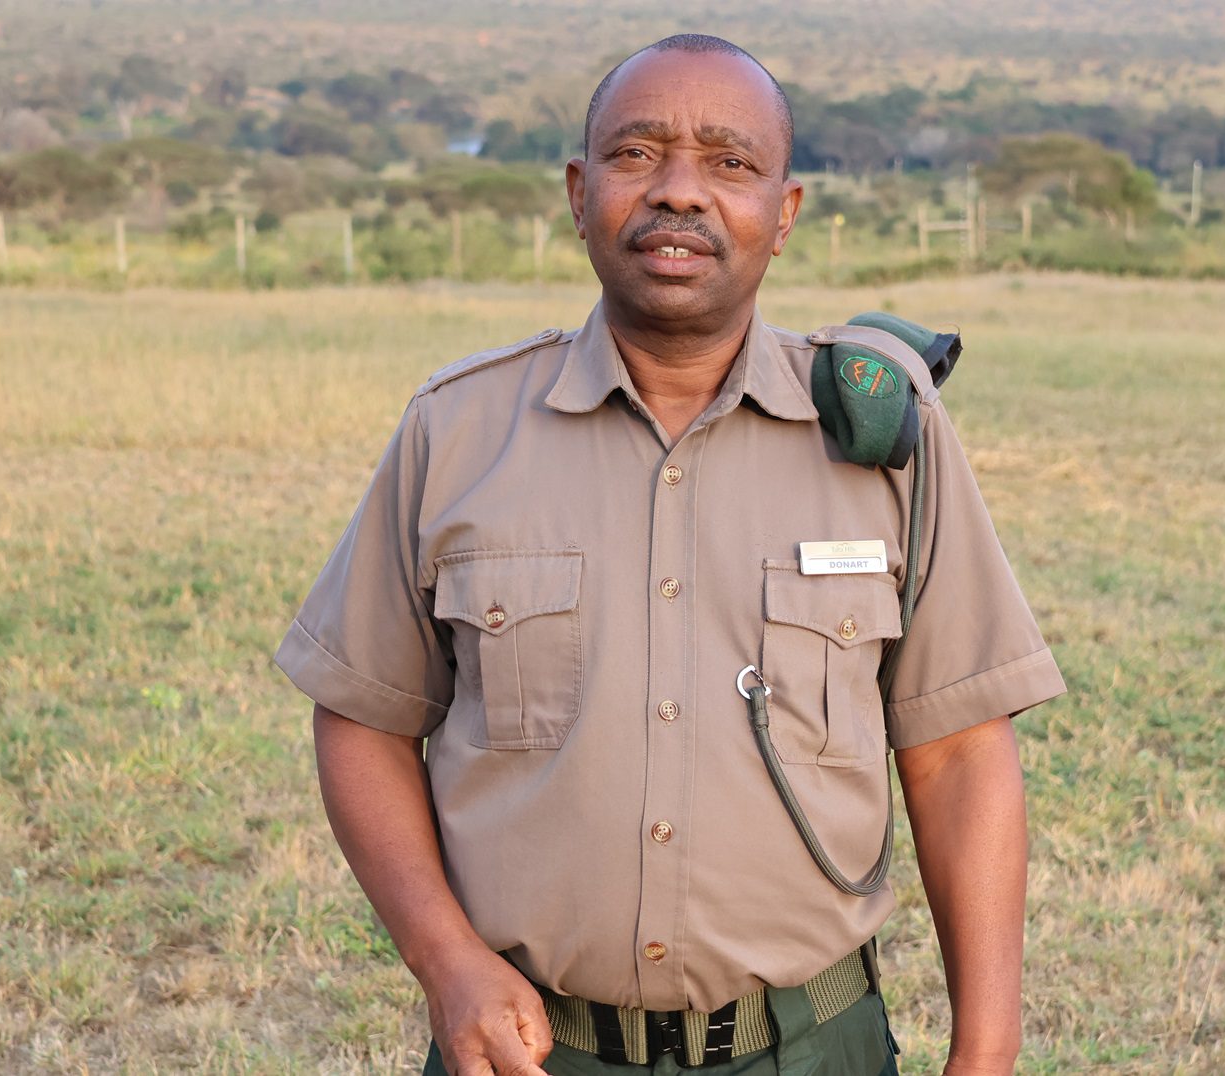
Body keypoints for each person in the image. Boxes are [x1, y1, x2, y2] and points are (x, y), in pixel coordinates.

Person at [277, 34, 1065, 1076]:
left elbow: (961, 747)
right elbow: (364, 715)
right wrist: (446, 962)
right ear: (578, 189)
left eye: (730, 163)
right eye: (638, 154)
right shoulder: (456, 430)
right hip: (527, 1050)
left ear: (783, 213)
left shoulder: (884, 437)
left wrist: (989, 1049)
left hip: (813, 1047)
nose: (681, 193)